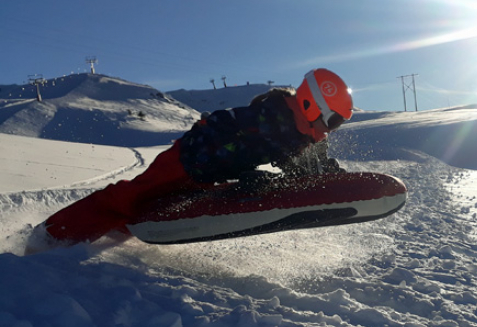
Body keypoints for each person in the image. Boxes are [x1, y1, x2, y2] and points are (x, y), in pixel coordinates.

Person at [35, 68, 353, 247]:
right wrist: (252, 175)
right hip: (187, 159)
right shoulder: (273, 118)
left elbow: (303, 159)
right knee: (133, 196)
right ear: (312, 106)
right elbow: (274, 150)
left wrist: (328, 177)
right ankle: (54, 232)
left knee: (158, 205)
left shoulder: (300, 130)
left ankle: (116, 234)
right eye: (333, 121)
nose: (331, 131)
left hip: (208, 172)